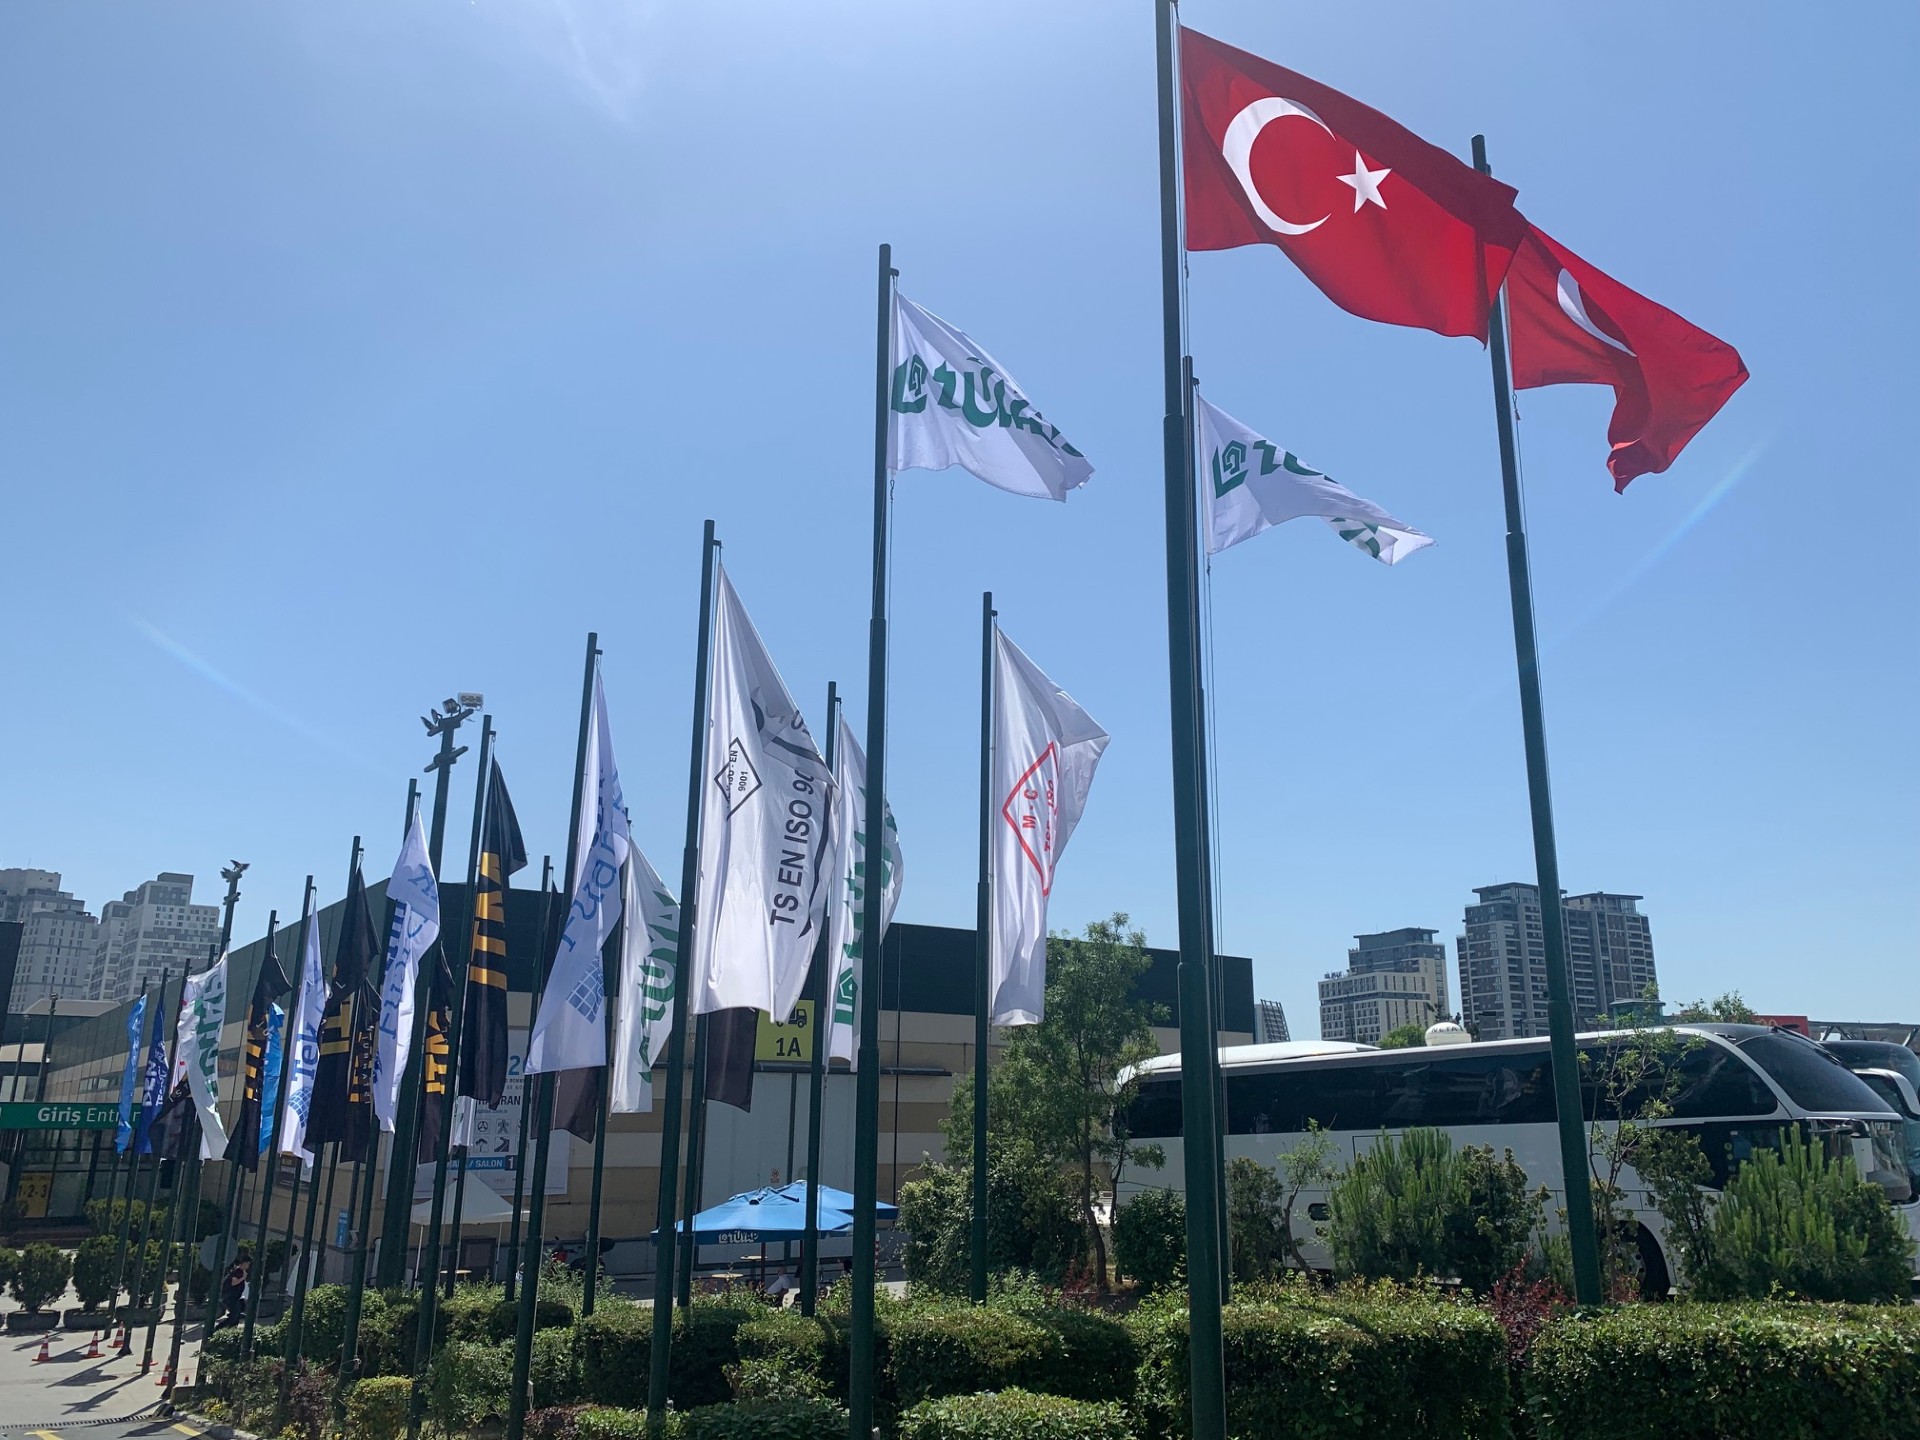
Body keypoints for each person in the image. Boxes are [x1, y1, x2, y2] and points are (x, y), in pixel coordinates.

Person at [214, 1255, 250, 1330]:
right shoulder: (237, 1271)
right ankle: (218, 1328)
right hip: (229, 1297)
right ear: (244, 1263)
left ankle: (232, 1328)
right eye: (247, 1264)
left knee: (237, 1312)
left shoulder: (241, 1272)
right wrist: (243, 1278)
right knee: (235, 1314)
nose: (248, 1266)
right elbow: (234, 1282)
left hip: (235, 1297)